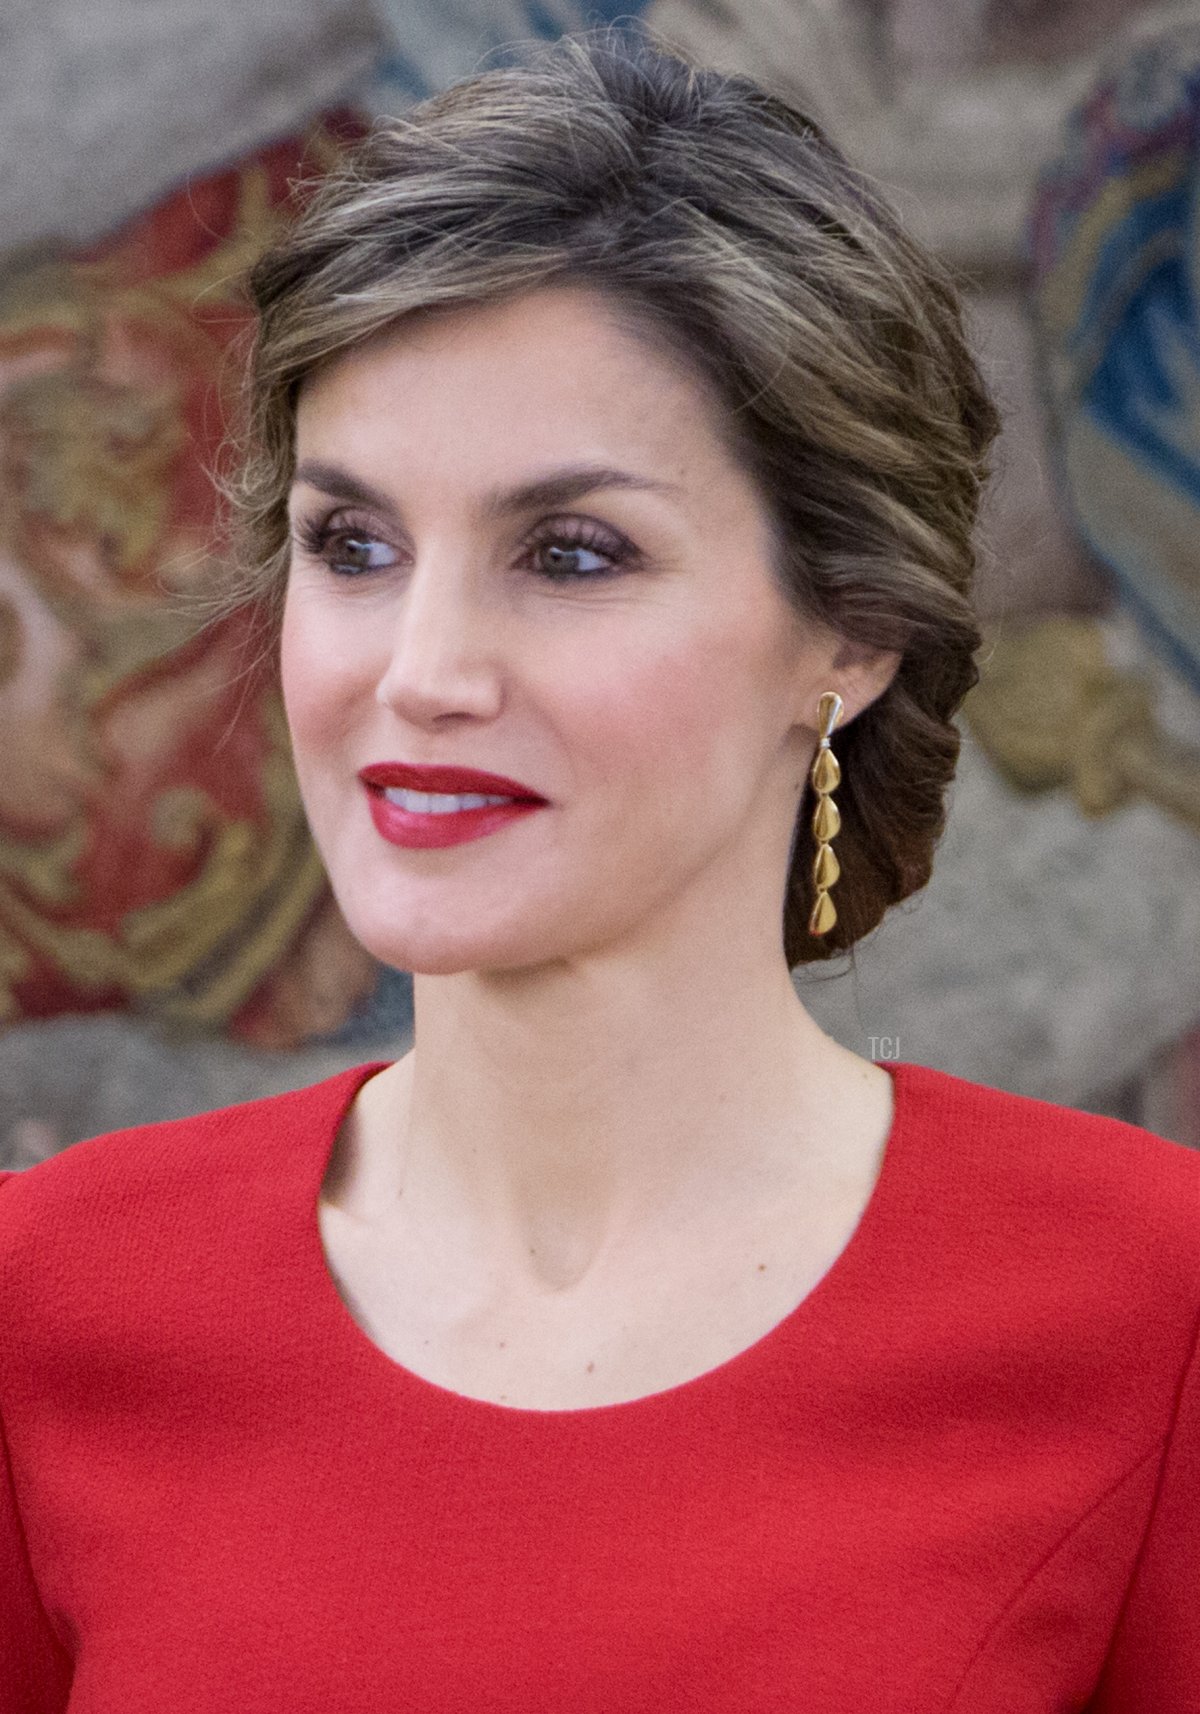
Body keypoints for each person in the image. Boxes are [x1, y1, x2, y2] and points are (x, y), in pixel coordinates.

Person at [1, 27, 1197, 1712]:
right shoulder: (49, 1299)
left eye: (570, 553)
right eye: (352, 543)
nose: (420, 669)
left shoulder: (1149, 1306)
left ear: (847, 632)